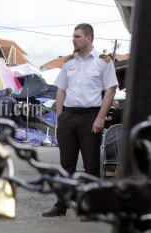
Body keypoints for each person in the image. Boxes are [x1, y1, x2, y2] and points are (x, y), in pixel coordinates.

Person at [41, 23, 118, 221]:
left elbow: (111, 89)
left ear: (89, 38)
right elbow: (61, 90)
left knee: (91, 165)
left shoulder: (103, 61)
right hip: (68, 117)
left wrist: (101, 117)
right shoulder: (68, 62)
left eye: (77, 36)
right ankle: (61, 205)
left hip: (90, 117)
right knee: (66, 164)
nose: (73, 39)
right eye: (73, 36)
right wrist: (60, 115)